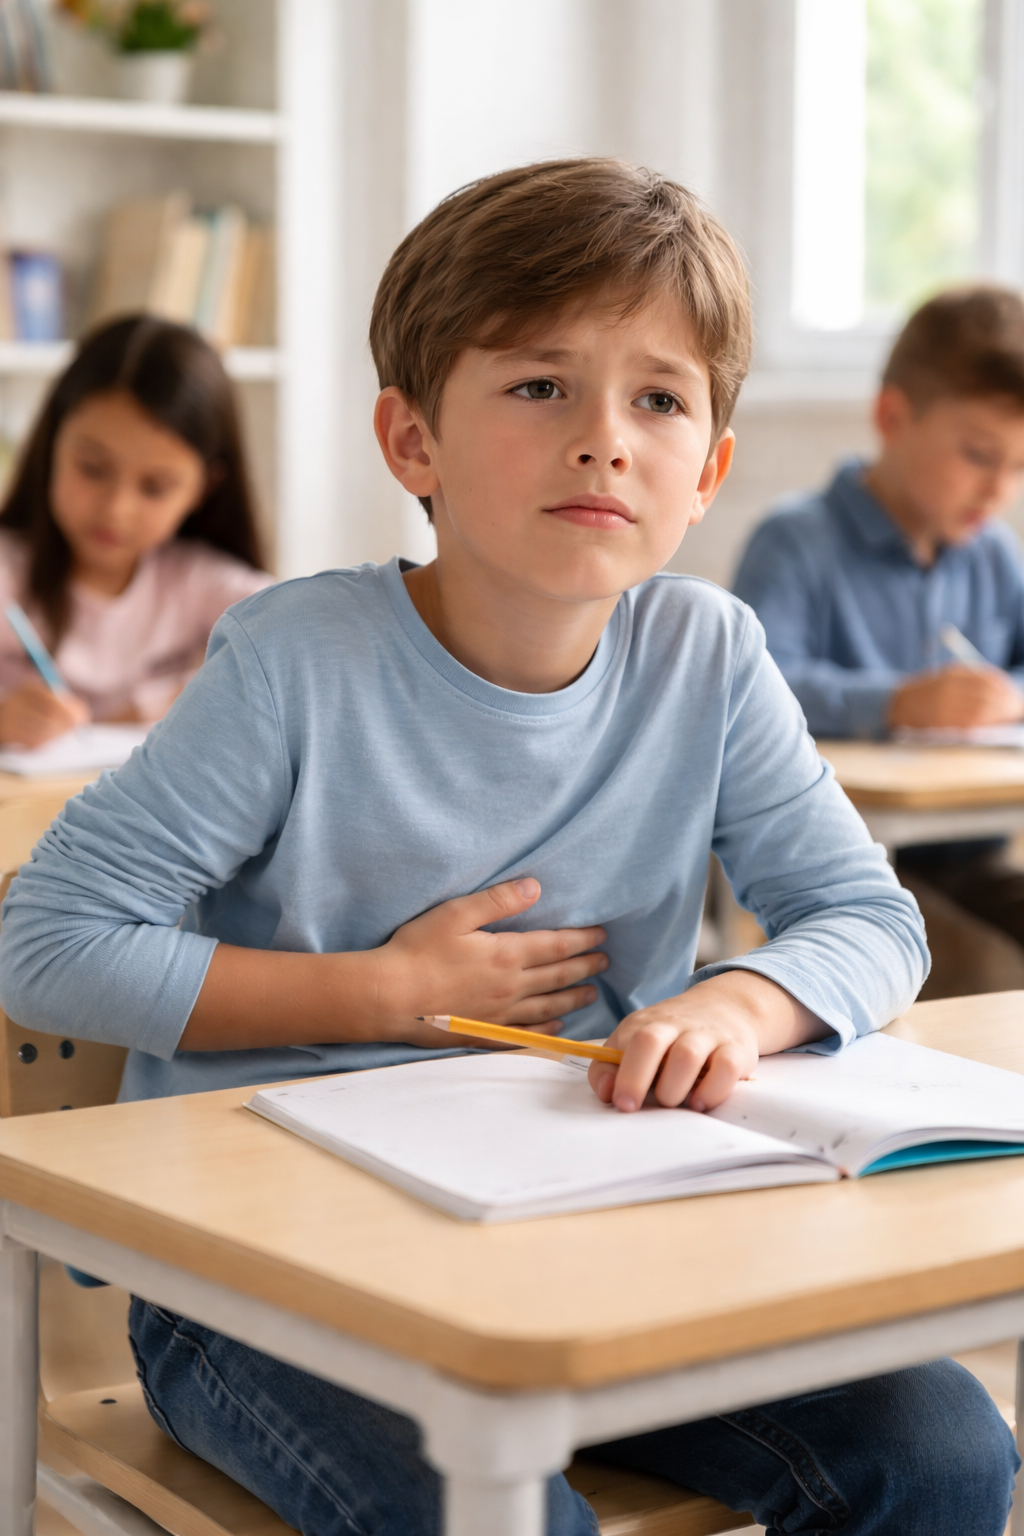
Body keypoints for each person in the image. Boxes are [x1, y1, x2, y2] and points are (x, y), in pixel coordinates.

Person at [0, 162, 1014, 1535]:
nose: (606, 439)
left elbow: (869, 922)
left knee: (945, 1452)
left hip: (585, 1243)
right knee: (517, 1520)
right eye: (541, 387)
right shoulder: (301, 662)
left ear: (709, 469)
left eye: (659, 399)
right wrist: (383, 995)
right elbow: (44, 943)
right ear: (411, 441)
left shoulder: (707, 657)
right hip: (264, 1286)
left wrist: (742, 998)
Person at [733, 286, 1024, 993]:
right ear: (893, 417)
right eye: (980, 455)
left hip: (968, 855)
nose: (999, 491)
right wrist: (895, 704)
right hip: (844, 867)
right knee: (969, 973)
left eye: (1019, 467)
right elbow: (750, 691)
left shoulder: (992, 553)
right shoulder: (796, 540)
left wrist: (1004, 698)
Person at [0, 313, 272, 746]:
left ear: (203, 489)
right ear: (51, 441)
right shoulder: (8, 575)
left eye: (155, 487)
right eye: (92, 468)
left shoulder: (203, 582)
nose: (116, 509)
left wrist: (149, 705)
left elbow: (299, 648)